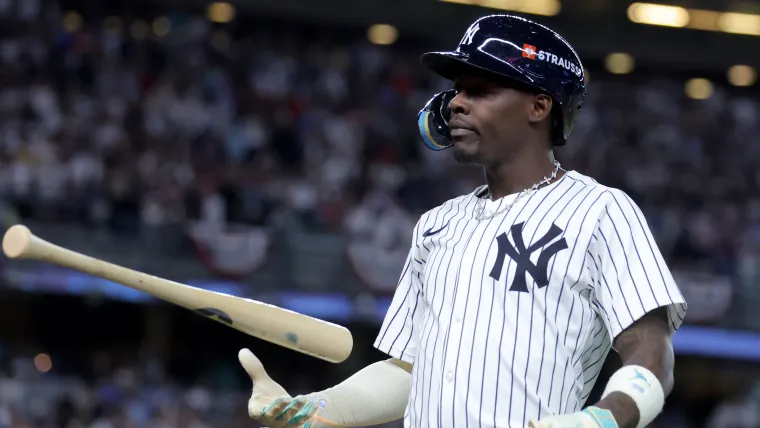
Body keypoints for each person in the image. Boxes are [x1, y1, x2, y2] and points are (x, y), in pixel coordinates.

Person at [237, 14, 688, 428]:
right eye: (457, 90)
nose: (455, 104)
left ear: (539, 107)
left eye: (481, 90)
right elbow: (408, 371)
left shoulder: (601, 210)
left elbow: (651, 352)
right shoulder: (437, 224)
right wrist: (315, 409)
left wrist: (600, 421)